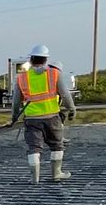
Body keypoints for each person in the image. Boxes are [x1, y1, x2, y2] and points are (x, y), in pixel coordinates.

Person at [11, 44, 75, 182]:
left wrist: (14, 115)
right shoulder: (54, 74)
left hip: (32, 119)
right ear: (46, 60)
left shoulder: (22, 77)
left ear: (31, 59)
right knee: (57, 144)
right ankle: (56, 174)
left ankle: (35, 178)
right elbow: (65, 94)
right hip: (52, 117)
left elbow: (16, 101)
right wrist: (71, 109)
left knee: (34, 147)